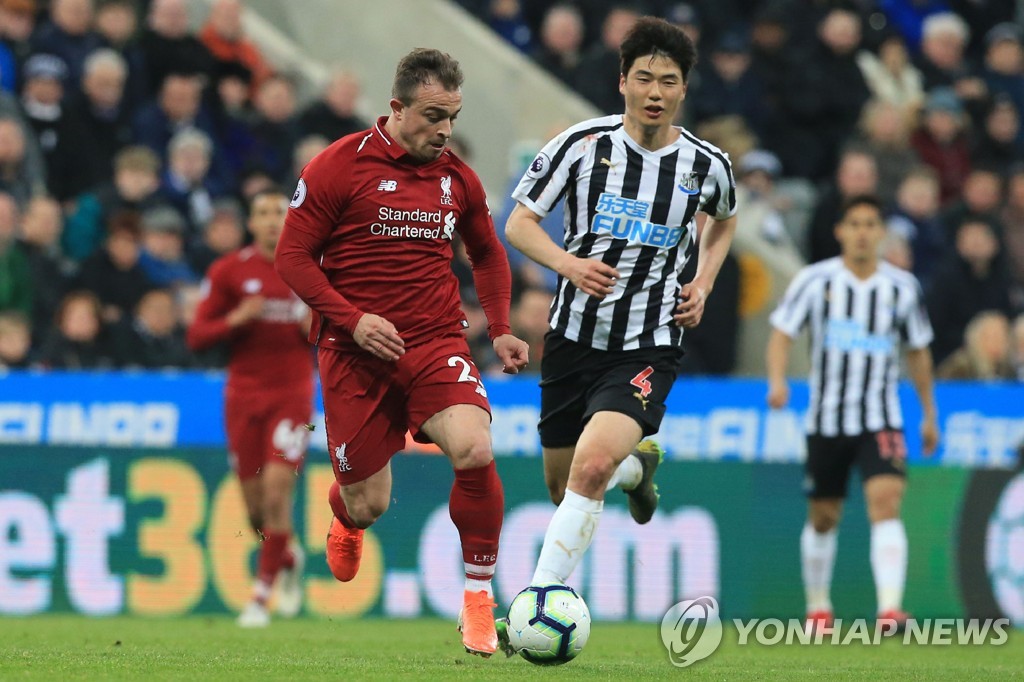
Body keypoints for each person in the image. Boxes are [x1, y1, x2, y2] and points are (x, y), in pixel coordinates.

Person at [274, 48, 528, 657]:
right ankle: (346, 516)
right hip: (353, 350)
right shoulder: (339, 166)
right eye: (433, 115)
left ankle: (478, 599)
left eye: (452, 117)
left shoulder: (457, 178)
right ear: (397, 107)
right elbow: (292, 257)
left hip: (436, 340)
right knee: (370, 503)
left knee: (474, 447)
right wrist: (353, 319)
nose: (444, 130)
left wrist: (498, 328)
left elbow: (487, 253)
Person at [502, 13, 737, 623]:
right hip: (572, 336)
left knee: (591, 465)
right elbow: (520, 224)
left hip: (648, 343)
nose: (655, 92)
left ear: (684, 89)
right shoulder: (582, 146)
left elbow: (725, 219)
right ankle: (638, 469)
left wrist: (704, 283)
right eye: (644, 79)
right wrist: (569, 264)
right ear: (623, 82)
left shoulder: (706, 164)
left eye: (668, 81)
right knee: (564, 486)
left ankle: (538, 599)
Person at [766, 194, 939, 633]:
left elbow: (918, 351)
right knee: (824, 516)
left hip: (881, 417)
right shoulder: (814, 280)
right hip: (826, 419)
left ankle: (889, 610)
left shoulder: (902, 287)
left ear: (881, 233)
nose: (862, 233)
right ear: (840, 231)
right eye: (855, 224)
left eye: (870, 224)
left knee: (887, 501)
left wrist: (929, 413)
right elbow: (782, 332)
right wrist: (777, 381)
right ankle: (818, 608)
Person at [186, 188, 313, 628]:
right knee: (255, 511)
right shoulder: (229, 271)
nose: (272, 220)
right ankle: (288, 558)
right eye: (263, 212)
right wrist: (237, 318)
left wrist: (315, 325)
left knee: (277, 493)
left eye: (280, 211)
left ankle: (260, 599)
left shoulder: (308, 269)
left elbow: (337, 326)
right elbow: (197, 335)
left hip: (292, 394)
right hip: (242, 395)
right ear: (251, 223)